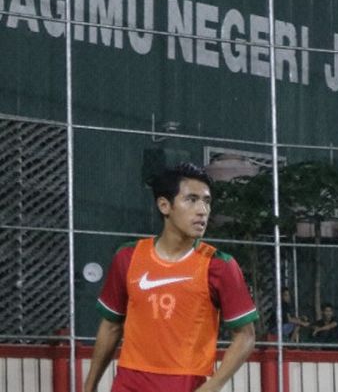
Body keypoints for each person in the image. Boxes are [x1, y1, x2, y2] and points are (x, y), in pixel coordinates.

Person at [83, 163, 259, 392]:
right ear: (165, 205)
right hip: (129, 383)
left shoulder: (219, 265)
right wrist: (89, 386)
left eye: (206, 201)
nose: (202, 210)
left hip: (185, 384)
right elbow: (111, 326)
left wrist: (213, 386)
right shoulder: (128, 257)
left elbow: (245, 336)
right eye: (192, 199)